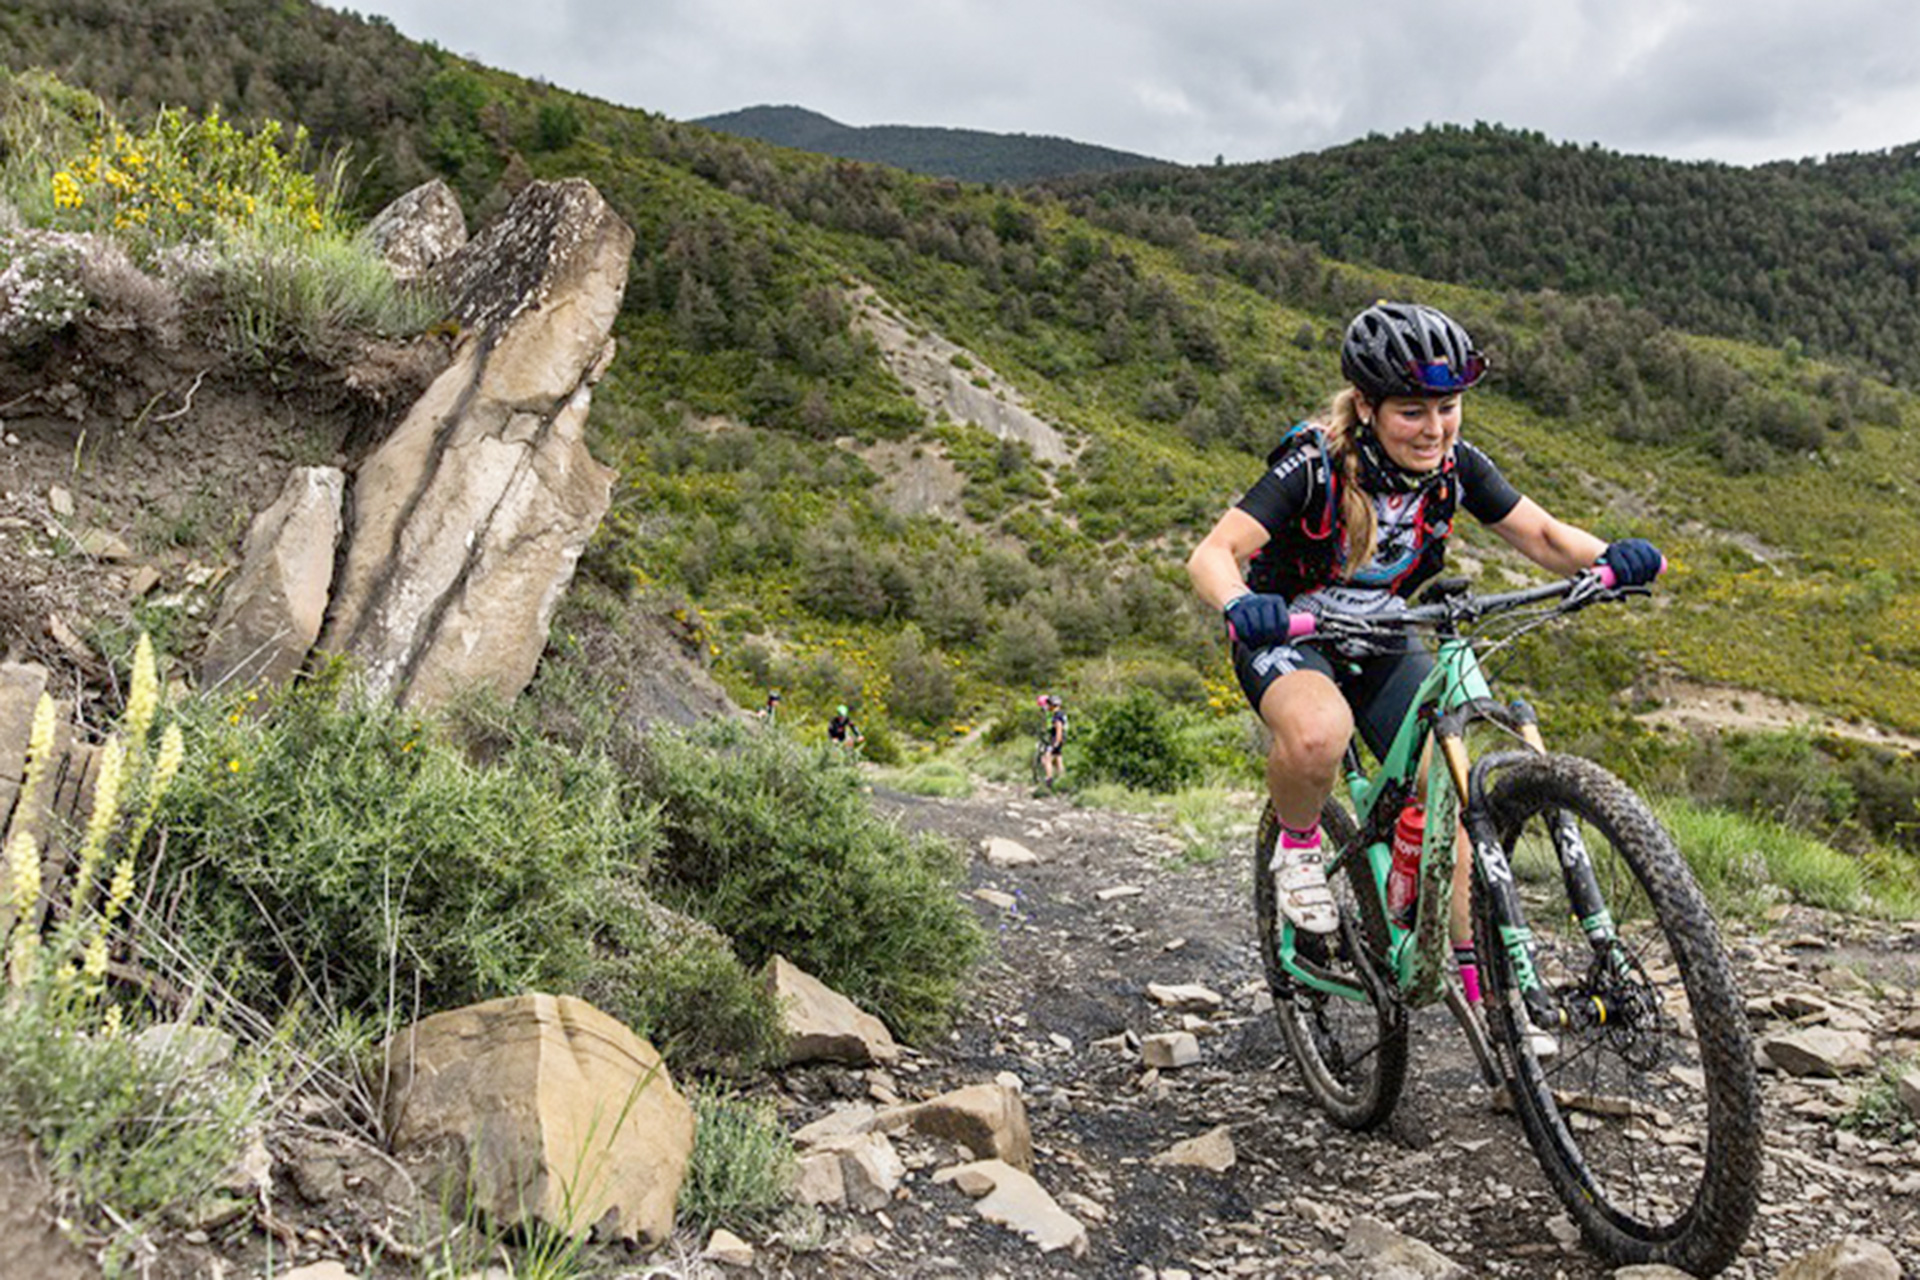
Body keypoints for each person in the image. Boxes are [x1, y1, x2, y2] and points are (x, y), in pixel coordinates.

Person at [1186, 301, 1664, 973]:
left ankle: (1476, 981)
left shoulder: (1455, 467)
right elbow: (1212, 553)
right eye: (1412, 411)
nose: (1434, 429)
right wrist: (1241, 602)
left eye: (1448, 408)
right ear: (1367, 405)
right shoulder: (1316, 465)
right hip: (1292, 630)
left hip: (1383, 628)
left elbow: (1545, 537)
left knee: (1457, 784)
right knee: (1320, 731)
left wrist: (1615, 558)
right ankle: (1296, 847)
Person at [1037, 694, 1068, 789]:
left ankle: (1049, 780)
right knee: (1058, 759)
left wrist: (1056, 742)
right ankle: (1062, 778)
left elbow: (1059, 729)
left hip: (1056, 739)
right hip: (1062, 739)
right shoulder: (1062, 714)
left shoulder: (1057, 717)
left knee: (1047, 759)